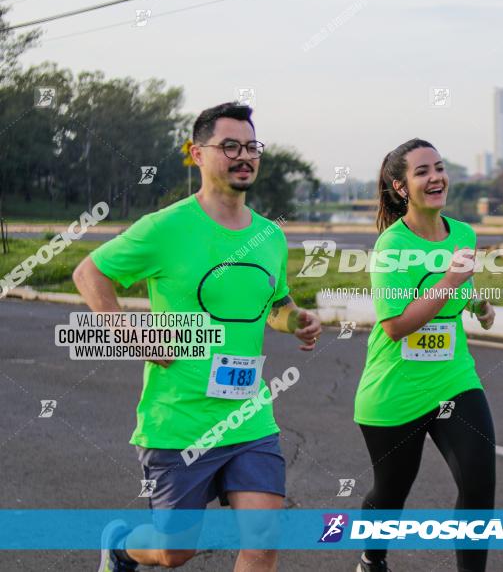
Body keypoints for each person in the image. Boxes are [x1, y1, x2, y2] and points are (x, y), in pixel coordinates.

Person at [73, 102, 322, 571]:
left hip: (250, 417)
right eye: (229, 146)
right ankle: (123, 548)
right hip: (180, 418)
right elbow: (89, 272)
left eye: (251, 146)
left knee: (263, 544)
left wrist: (296, 319)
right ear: (196, 153)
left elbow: (273, 306)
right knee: (173, 552)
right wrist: (128, 330)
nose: (243, 155)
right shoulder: (166, 227)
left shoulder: (270, 235)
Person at [354, 138, 497, 572]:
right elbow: (396, 324)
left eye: (438, 167)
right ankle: (371, 558)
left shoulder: (465, 234)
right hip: (394, 389)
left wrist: (478, 304)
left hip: (453, 380)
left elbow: (456, 290)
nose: (435, 177)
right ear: (400, 187)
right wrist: (453, 282)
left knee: (478, 484)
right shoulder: (392, 247)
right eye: (421, 171)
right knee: (390, 494)